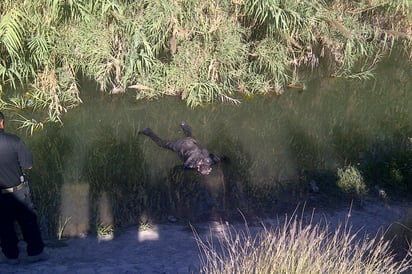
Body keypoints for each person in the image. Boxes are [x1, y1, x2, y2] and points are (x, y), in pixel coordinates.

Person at [0, 111, 46, 264]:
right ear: (2, 123)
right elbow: (29, 165)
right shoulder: (14, 141)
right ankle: (35, 254)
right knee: (28, 222)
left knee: (4, 226)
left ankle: (11, 256)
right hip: (19, 191)